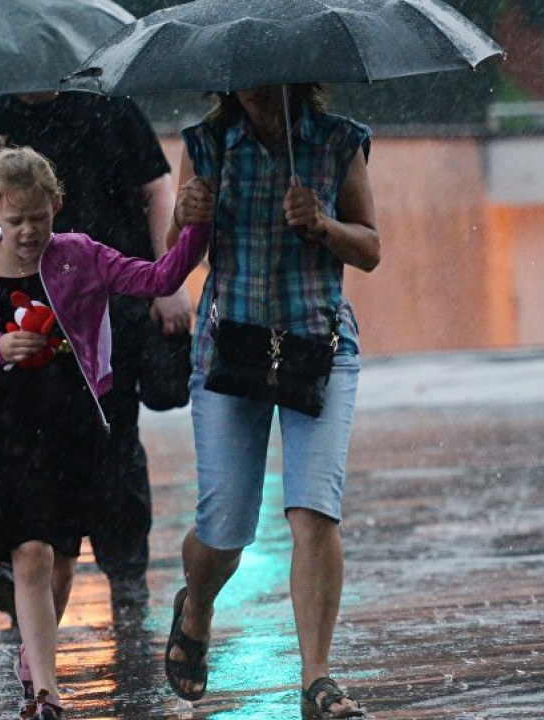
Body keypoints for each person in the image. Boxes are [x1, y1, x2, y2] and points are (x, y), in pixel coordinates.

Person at [0, 147, 209, 719]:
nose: (30, 231)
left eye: (40, 217)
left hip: (74, 425)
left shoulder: (80, 256)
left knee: (63, 560)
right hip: (5, 428)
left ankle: (33, 661)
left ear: (56, 205)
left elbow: (157, 276)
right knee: (30, 555)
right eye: (15, 221)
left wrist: (196, 227)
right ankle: (47, 693)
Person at [0, 91, 191, 619]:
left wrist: (169, 283)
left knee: (113, 447)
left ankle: (125, 574)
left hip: (106, 307)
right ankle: (20, 562)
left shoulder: (111, 108)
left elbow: (156, 188)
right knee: (18, 448)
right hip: (18, 317)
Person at [163, 84, 379, 718]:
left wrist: (323, 223)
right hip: (231, 350)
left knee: (315, 511)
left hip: (320, 347)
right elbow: (175, 259)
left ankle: (317, 680)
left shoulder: (339, 142)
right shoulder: (206, 145)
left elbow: (370, 247)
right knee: (226, 530)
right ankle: (197, 607)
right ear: (228, 76)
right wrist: (186, 214)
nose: (261, 80)